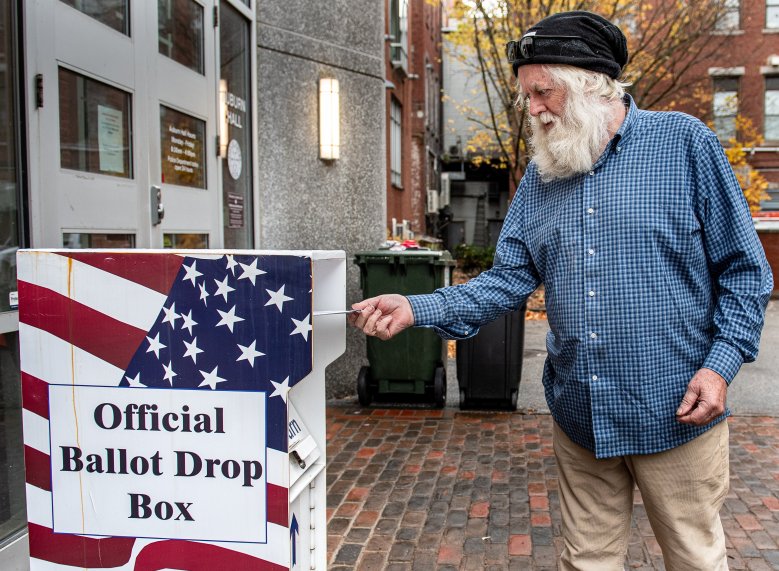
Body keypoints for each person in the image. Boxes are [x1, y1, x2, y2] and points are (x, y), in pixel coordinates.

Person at [350, 10, 774, 571]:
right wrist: (414, 304)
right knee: (586, 562)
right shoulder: (543, 174)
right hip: (582, 413)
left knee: (695, 558)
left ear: (590, 85)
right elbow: (505, 281)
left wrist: (719, 367)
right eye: (527, 95)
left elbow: (746, 272)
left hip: (678, 410)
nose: (532, 109)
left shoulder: (684, 145)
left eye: (542, 93)